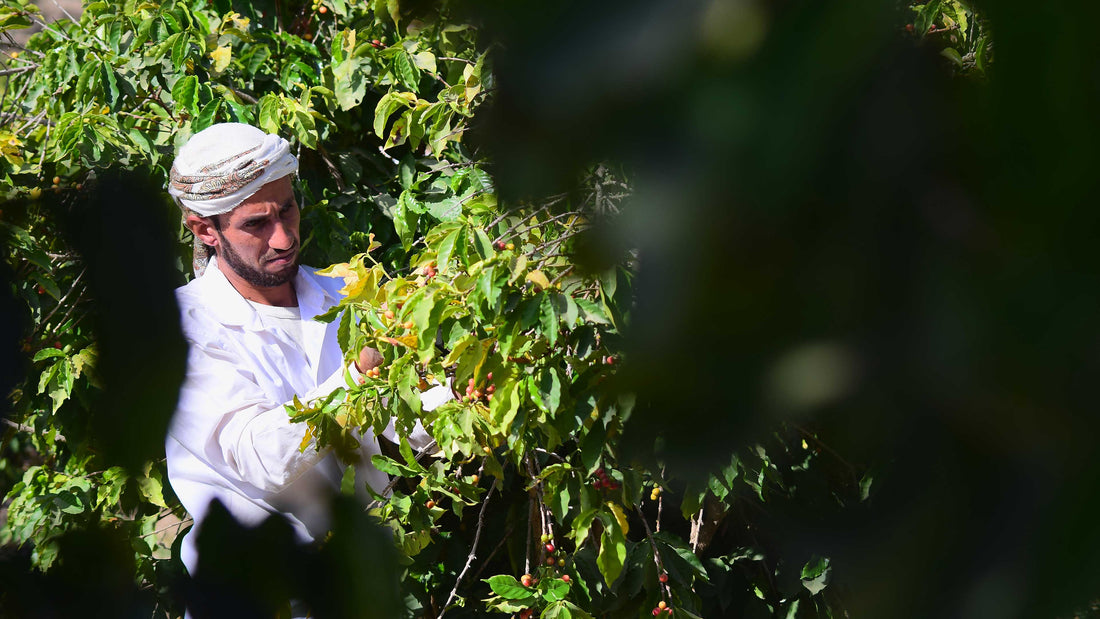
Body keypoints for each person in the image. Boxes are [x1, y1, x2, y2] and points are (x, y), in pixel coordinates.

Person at [164, 123, 445, 577]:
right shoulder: (182, 330)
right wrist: (358, 375)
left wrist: (462, 396)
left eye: (288, 210)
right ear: (205, 229)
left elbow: (397, 428)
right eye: (256, 223)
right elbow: (262, 458)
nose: (284, 237)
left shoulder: (344, 296)